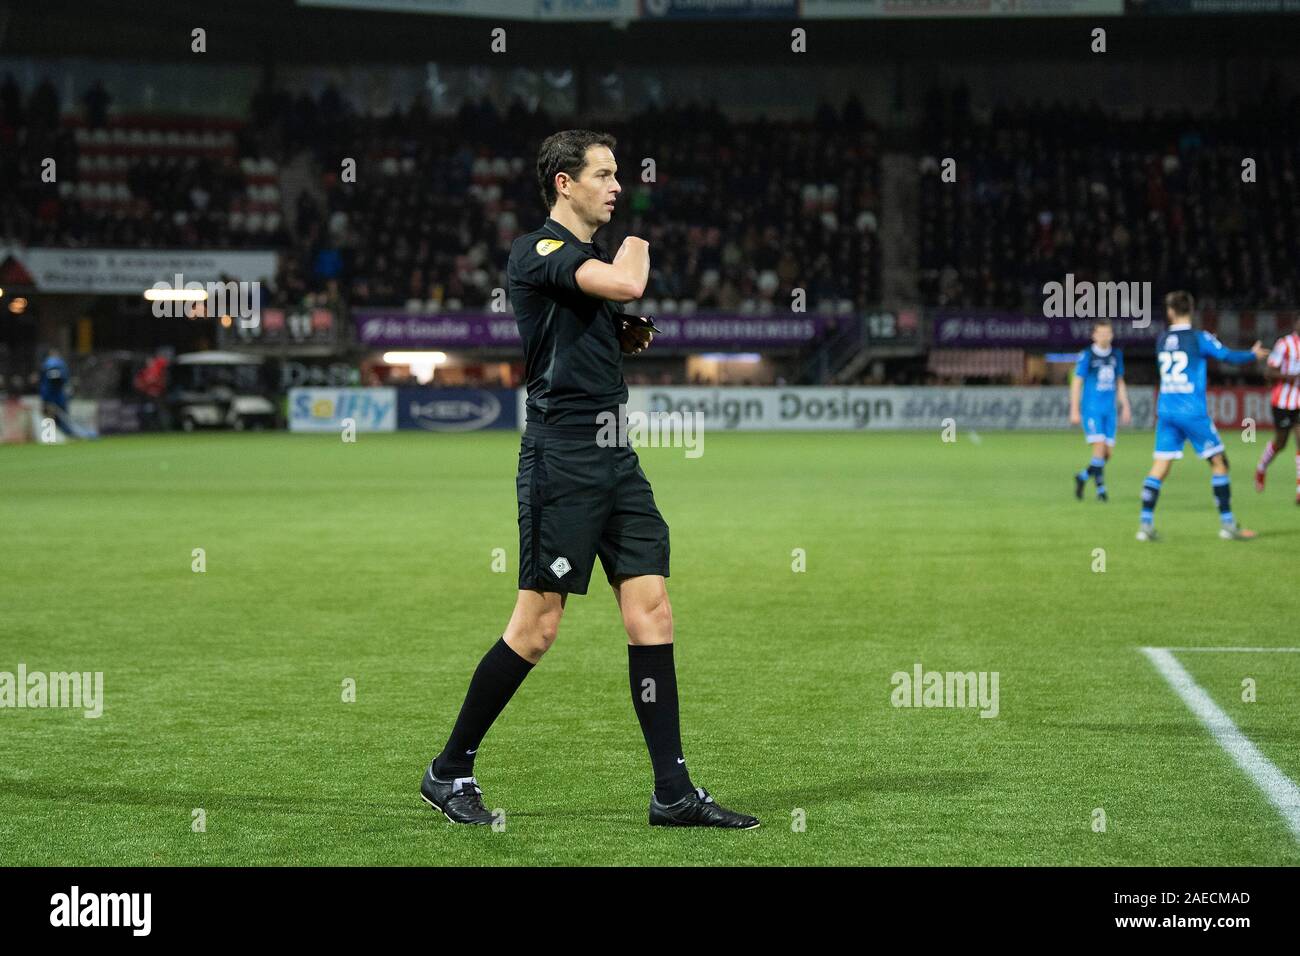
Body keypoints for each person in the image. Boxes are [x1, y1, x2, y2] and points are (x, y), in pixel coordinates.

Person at [420, 129, 759, 829]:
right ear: (563, 184)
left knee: (652, 611)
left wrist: (612, 331)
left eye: (618, 175)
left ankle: (672, 791)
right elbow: (628, 278)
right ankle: (449, 769)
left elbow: (600, 309)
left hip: (615, 456)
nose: (616, 186)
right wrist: (634, 253)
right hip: (562, 459)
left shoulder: (584, 267)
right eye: (604, 175)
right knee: (537, 628)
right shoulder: (537, 250)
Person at [1137, 292, 1268, 542]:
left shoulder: (1162, 339)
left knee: (1160, 466)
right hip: (1192, 411)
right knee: (1220, 463)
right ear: (1192, 309)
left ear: (1170, 312)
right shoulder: (1199, 338)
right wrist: (1252, 354)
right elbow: (1227, 356)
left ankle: (1145, 525)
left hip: (1166, 411)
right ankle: (1228, 525)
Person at [1068, 318, 1131, 502]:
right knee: (1099, 449)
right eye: (1101, 333)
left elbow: (1119, 382)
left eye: (1107, 333)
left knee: (1107, 453)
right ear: (1094, 335)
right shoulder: (1087, 355)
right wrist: (1074, 409)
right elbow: (1077, 383)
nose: (1104, 336)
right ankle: (1101, 491)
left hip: (1109, 411)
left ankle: (1083, 477)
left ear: (1111, 335)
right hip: (1092, 409)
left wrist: (1125, 406)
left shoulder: (1116, 355)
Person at [1253, 315, 1300, 503]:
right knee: (1280, 443)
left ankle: (1299, 489)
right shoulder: (1284, 344)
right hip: (1281, 401)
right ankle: (1261, 467)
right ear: (1296, 323)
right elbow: (1269, 372)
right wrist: (1290, 376)